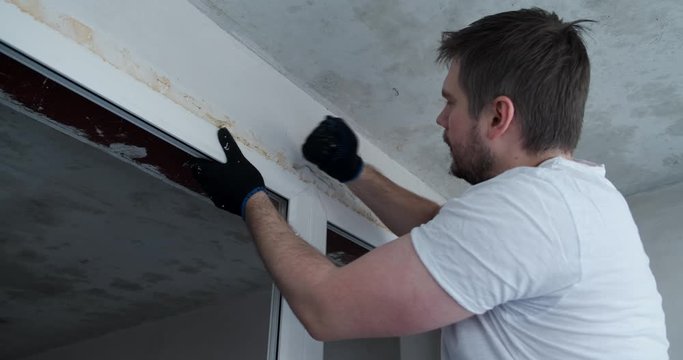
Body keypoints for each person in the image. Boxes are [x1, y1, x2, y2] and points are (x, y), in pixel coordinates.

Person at [190, 7, 669, 359]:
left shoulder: (534, 209)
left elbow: (323, 309)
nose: (441, 118)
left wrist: (252, 198)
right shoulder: (579, 202)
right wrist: (354, 171)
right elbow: (453, 238)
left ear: (499, 115)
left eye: (452, 102)